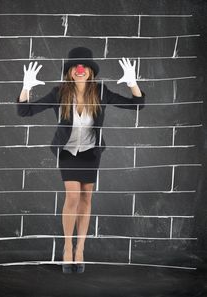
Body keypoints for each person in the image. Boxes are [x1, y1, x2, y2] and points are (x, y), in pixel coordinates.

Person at [17, 47, 145, 274]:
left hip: (90, 152)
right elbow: (25, 111)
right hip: (67, 151)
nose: (80, 70)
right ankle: (67, 248)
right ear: (69, 71)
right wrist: (26, 87)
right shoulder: (59, 93)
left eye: (84, 66)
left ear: (90, 71)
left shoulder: (101, 92)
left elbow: (137, 104)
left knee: (86, 197)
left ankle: (80, 250)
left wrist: (132, 84)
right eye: (76, 67)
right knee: (73, 195)